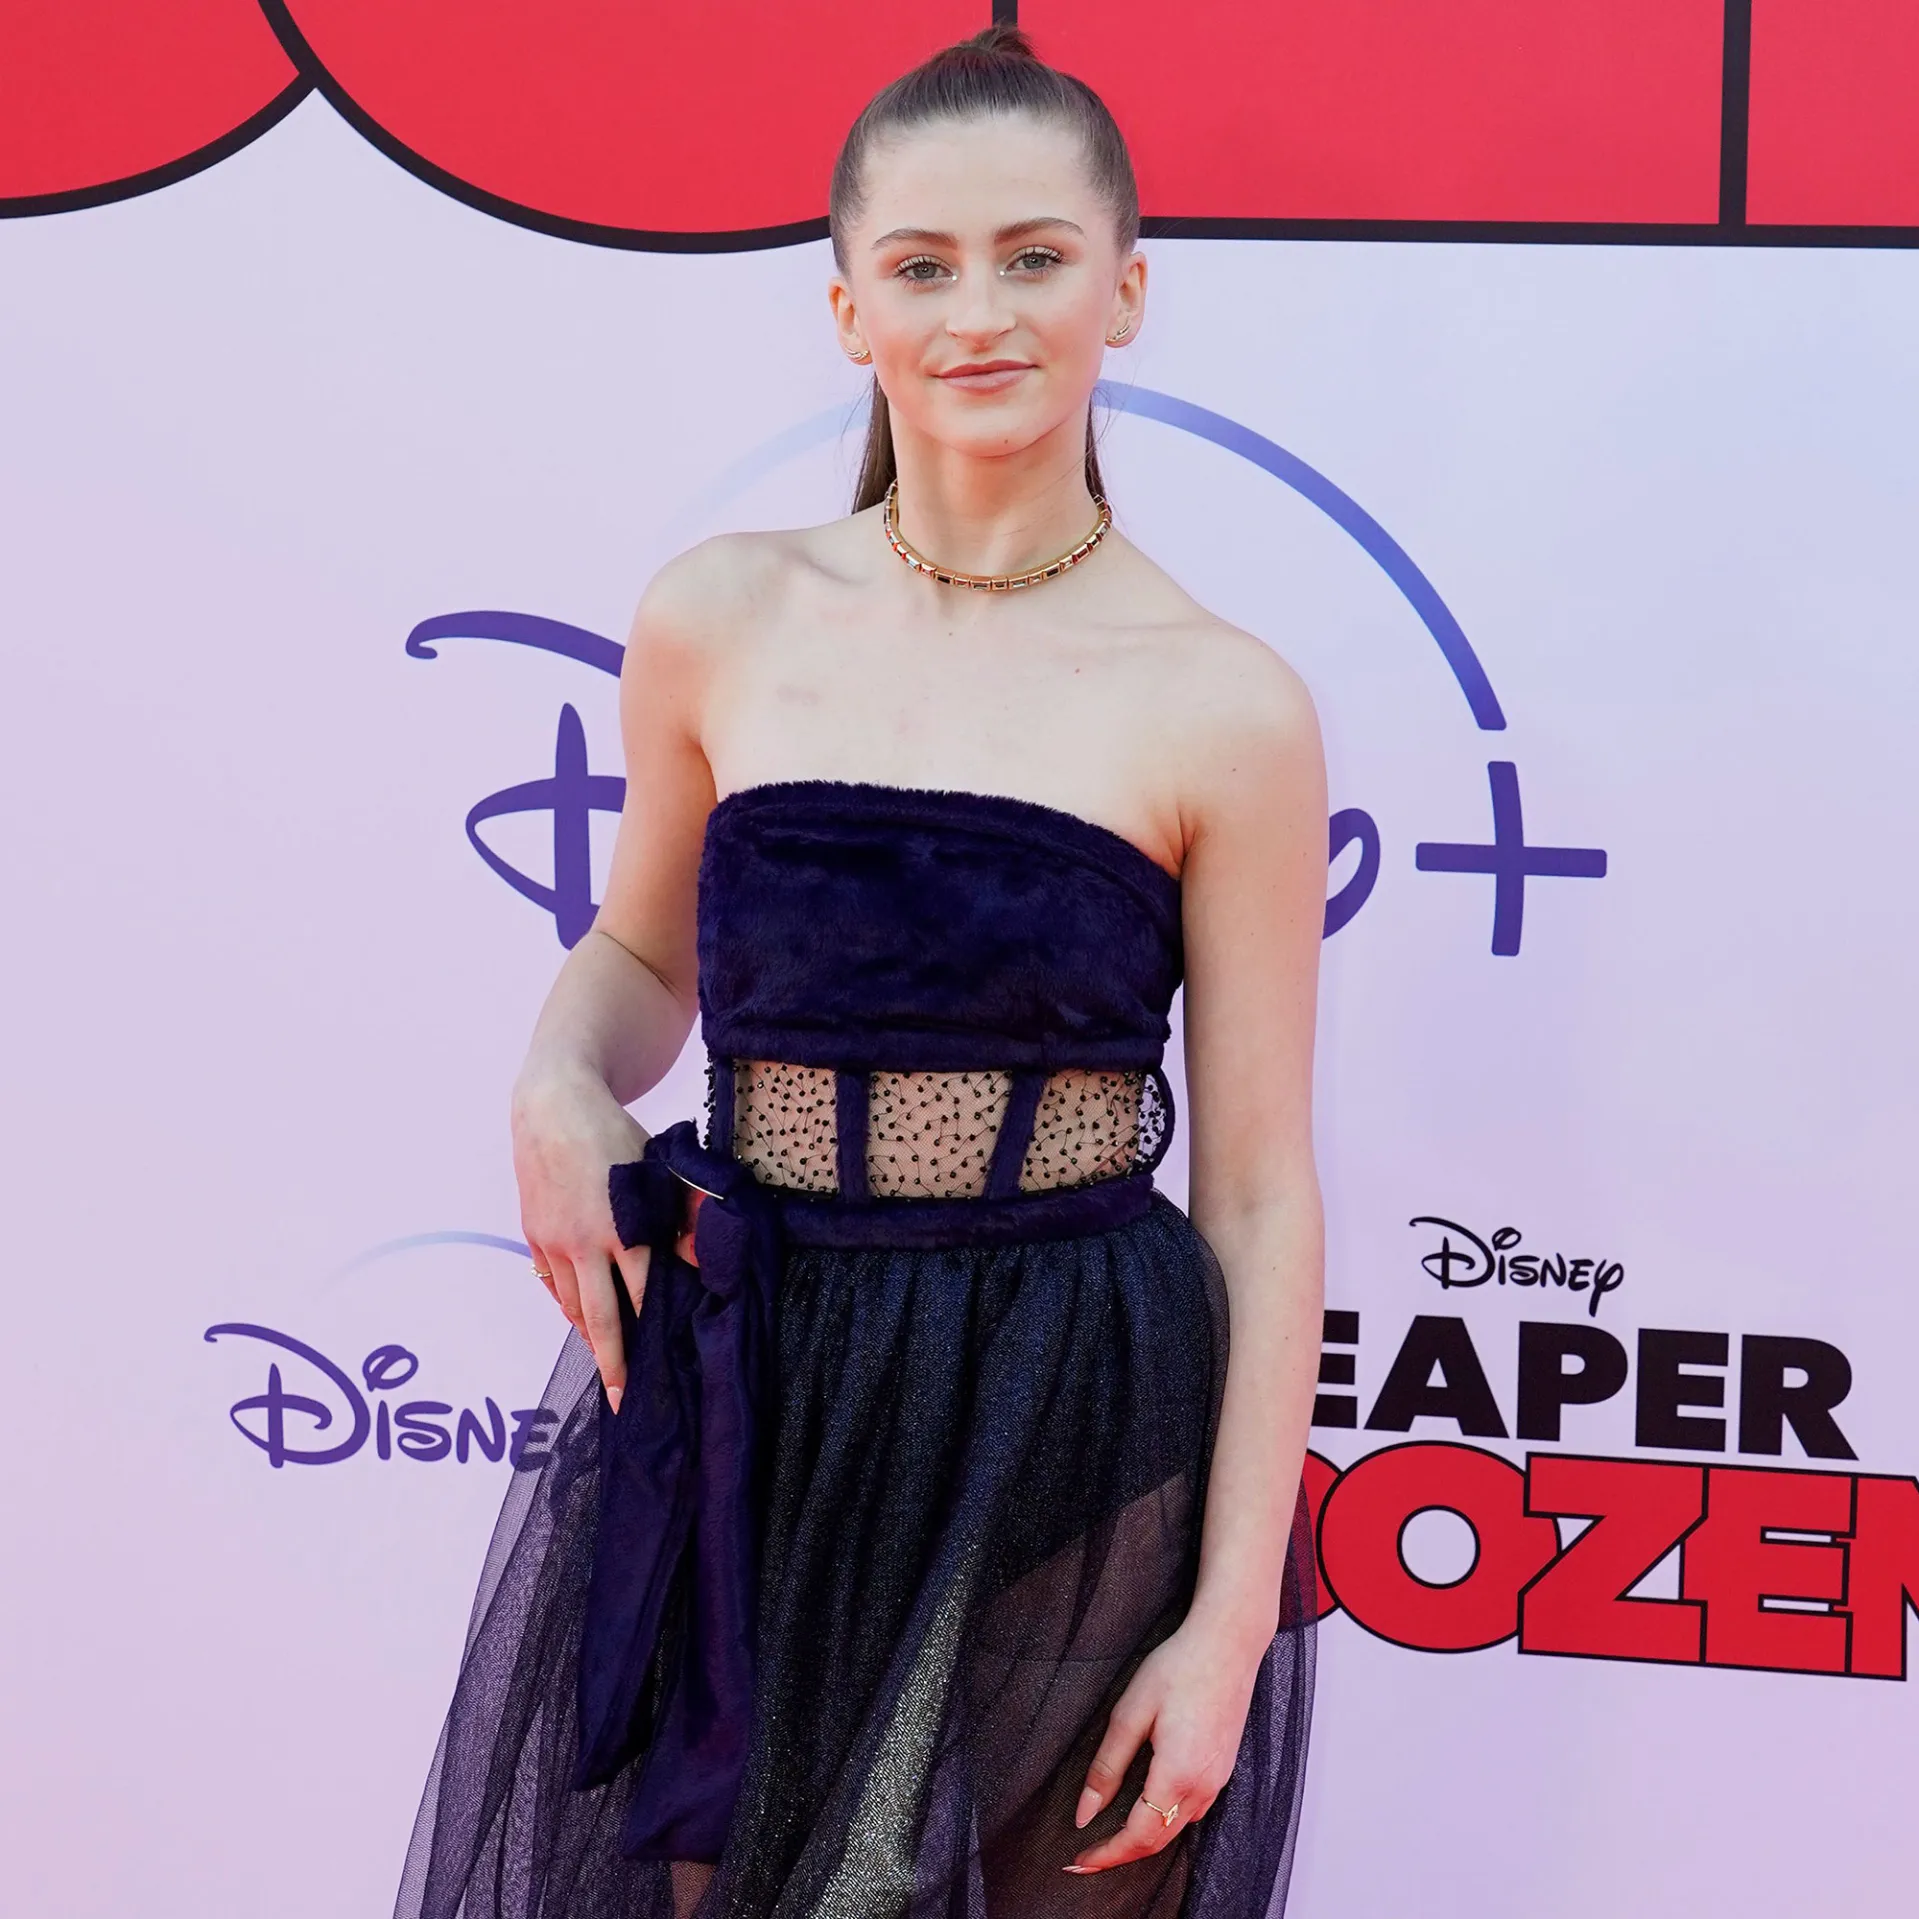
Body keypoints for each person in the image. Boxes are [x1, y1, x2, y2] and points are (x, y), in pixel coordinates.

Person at [396, 26, 1324, 1919]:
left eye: (1034, 255)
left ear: (1125, 288)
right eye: (921, 264)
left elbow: (1255, 1188)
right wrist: (558, 1079)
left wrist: (1232, 1618)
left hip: (1077, 1404)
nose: (978, 312)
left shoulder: (1226, 704)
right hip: (764, 1377)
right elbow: (640, 952)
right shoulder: (721, 616)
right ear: (847, 310)